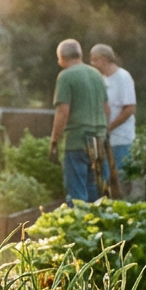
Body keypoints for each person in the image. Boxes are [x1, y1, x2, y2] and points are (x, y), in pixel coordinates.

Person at [49, 39, 110, 203]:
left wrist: (54, 141)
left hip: (77, 141)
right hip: (98, 141)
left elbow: (63, 111)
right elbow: (107, 109)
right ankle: (96, 226)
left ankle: (78, 227)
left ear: (61, 58)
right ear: (80, 54)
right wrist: (104, 133)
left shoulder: (66, 76)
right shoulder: (97, 75)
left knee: (77, 195)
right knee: (96, 191)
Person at [89, 43, 137, 179]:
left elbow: (130, 109)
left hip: (121, 140)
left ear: (103, 59)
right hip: (105, 140)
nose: (92, 63)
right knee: (105, 182)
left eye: (94, 59)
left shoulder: (123, 77)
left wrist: (109, 128)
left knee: (120, 181)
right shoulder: (103, 79)